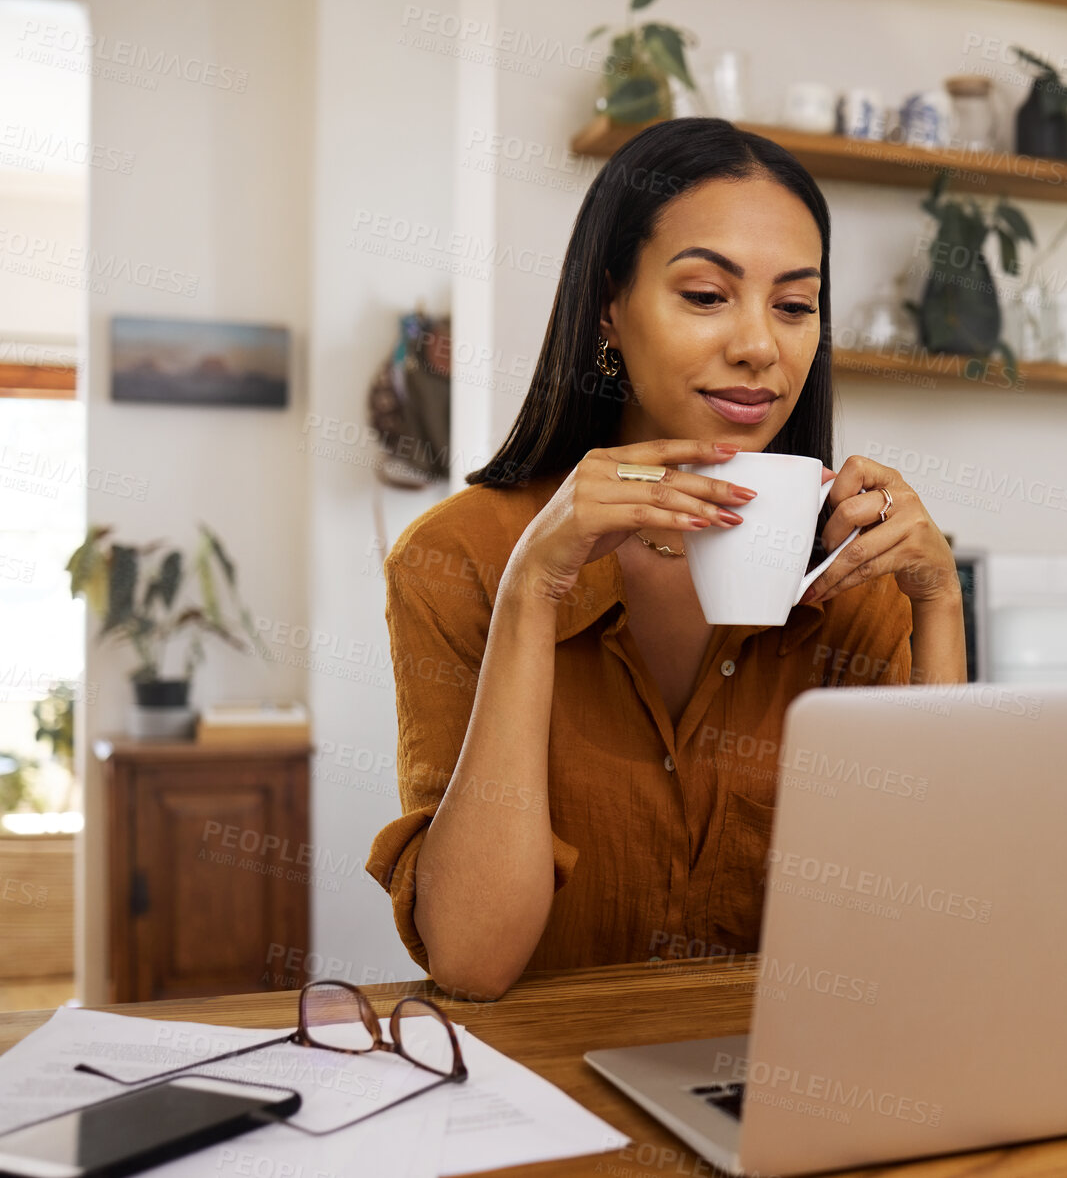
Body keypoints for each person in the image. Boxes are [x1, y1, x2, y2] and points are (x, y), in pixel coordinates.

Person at [364, 117, 968, 1000]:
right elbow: (472, 958)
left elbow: (923, 933)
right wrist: (534, 589)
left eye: (795, 305)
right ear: (610, 304)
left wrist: (939, 606)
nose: (761, 346)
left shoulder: (849, 575)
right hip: (548, 1096)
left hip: (784, 1090)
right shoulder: (459, 557)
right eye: (706, 294)